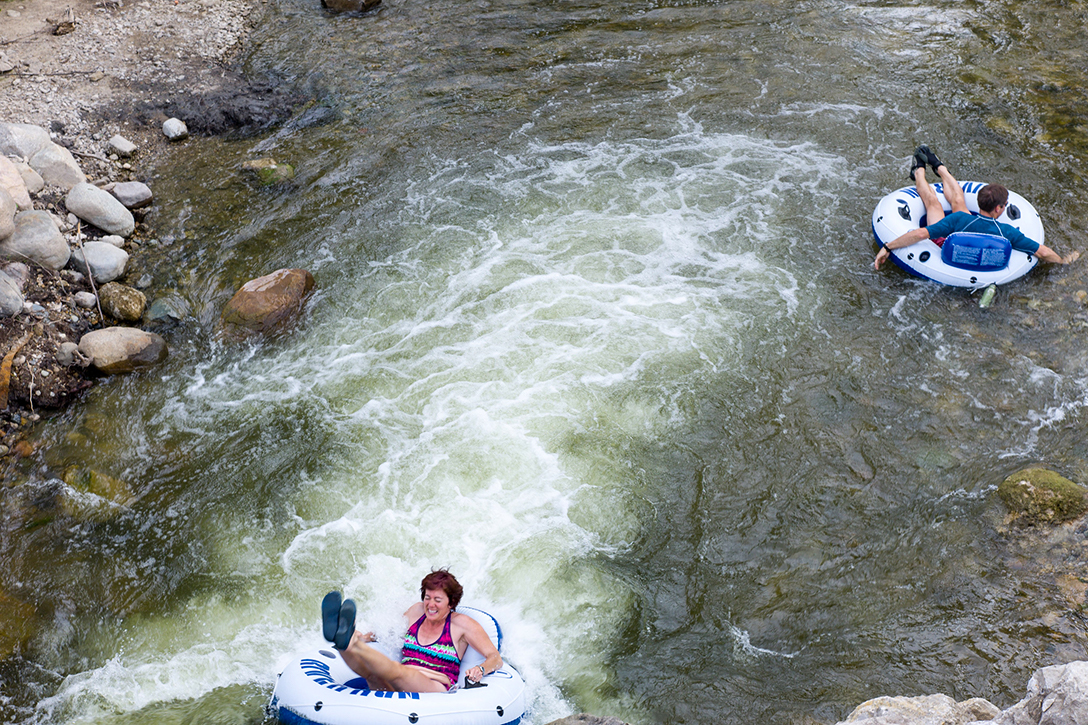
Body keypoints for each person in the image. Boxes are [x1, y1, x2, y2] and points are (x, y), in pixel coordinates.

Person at [873, 145, 1079, 270]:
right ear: (998, 209)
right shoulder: (1006, 232)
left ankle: (920, 170)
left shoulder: (958, 220)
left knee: (934, 203)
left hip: (949, 243)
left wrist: (888, 247)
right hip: (973, 248)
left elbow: (919, 235)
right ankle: (937, 166)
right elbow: (1043, 252)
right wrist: (1063, 261)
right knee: (958, 200)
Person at [321, 569, 503, 693]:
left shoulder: (463, 625)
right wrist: (364, 638)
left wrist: (480, 669)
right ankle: (343, 641)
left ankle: (350, 642)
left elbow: (495, 658)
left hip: (436, 685)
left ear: (451, 602)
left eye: (438, 600)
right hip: (401, 681)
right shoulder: (416, 612)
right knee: (372, 675)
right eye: (427, 597)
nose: (430, 605)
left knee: (399, 672)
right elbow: (391, 631)